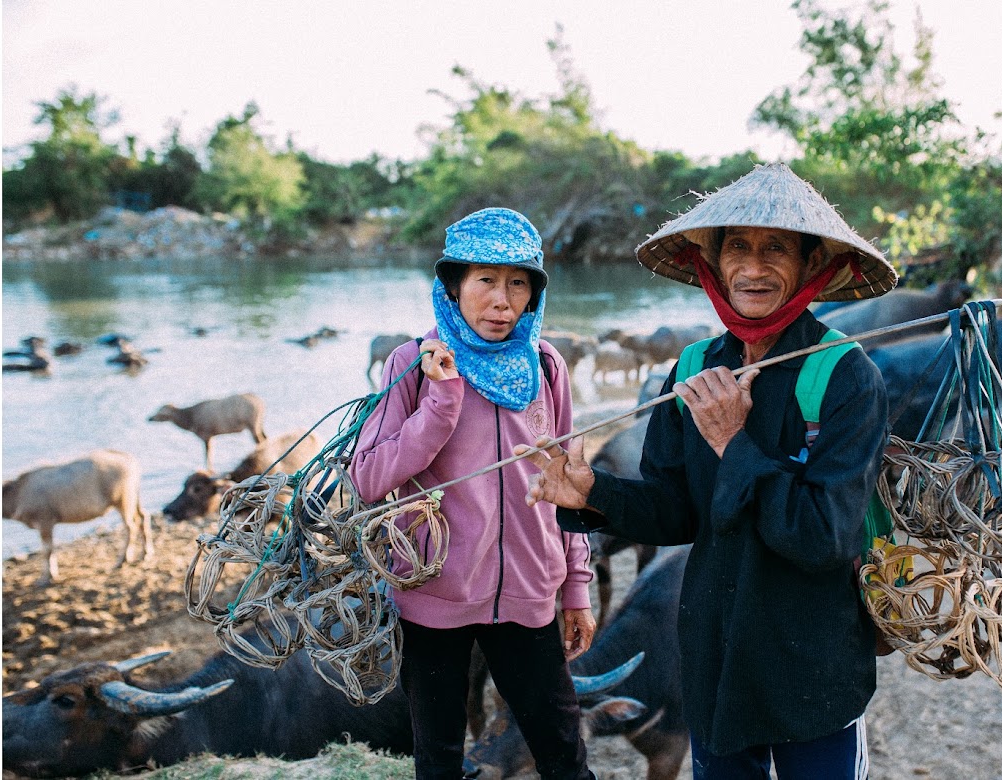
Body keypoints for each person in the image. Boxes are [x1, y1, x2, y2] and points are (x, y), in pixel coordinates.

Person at [519, 163, 899, 780]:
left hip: (813, 665)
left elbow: (824, 536)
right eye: (737, 249)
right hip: (715, 658)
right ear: (712, 265)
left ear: (810, 266)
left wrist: (733, 441)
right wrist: (593, 493)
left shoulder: (847, 376)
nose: (753, 268)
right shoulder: (693, 368)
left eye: (775, 248)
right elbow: (674, 509)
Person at [349, 207, 597, 780]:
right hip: (433, 595)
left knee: (564, 754)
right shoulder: (413, 363)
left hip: (530, 596)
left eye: (518, 283)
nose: (502, 301)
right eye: (485, 280)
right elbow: (367, 478)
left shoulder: (545, 365)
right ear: (453, 285)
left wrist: (577, 588)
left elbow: (567, 487)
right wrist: (440, 402)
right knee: (437, 761)